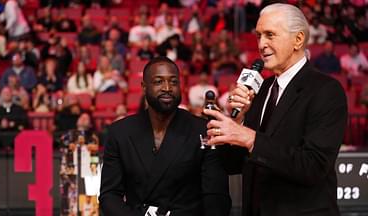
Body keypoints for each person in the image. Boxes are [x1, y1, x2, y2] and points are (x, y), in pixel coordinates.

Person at [203, 3, 347, 216]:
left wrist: (250, 138)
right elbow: (233, 164)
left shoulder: (326, 90)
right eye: (259, 35)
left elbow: (313, 167)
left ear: (298, 40)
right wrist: (237, 123)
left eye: (270, 35)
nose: (261, 44)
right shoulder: (262, 90)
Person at [99, 57, 231, 216]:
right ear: (144, 86)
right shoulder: (120, 132)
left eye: (174, 82)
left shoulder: (204, 130)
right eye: (158, 82)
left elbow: (216, 198)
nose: (167, 88)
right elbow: (109, 196)